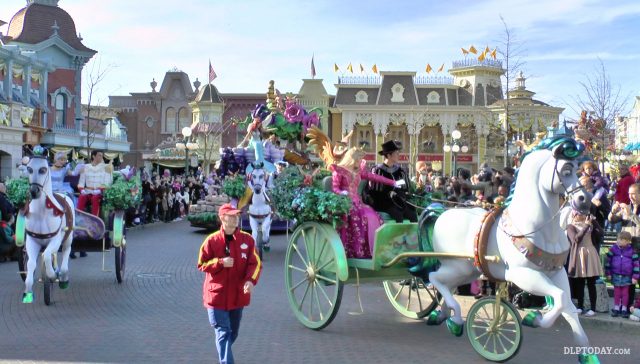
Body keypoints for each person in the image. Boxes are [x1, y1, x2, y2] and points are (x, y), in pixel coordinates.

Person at [197, 203, 261, 364]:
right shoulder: (211, 241)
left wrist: (250, 281)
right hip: (216, 297)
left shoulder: (247, 240)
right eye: (231, 216)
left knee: (232, 333)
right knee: (223, 332)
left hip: (237, 297)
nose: (235, 219)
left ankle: (223, 351)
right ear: (222, 218)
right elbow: (201, 264)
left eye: (237, 216)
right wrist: (219, 263)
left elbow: (255, 263)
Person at [330, 147, 403, 258]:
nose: (360, 162)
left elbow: (375, 177)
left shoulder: (358, 171)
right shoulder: (338, 170)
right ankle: (355, 250)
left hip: (357, 203)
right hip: (344, 203)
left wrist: (393, 182)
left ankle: (372, 249)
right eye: (359, 159)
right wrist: (342, 192)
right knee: (357, 216)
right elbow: (335, 188)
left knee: (372, 215)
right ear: (353, 158)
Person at [363, 140, 416, 222]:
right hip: (382, 203)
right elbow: (373, 192)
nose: (399, 155)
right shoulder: (377, 171)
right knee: (398, 214)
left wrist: (399, 194)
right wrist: (389, 193)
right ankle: (397, 235)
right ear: (389, 155)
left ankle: (413, 235)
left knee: (412, 214)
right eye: (396, 153)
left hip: (398, 201)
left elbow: (405, 188)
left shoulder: (400, 171)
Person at [608, 182, 640, 310]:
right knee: (629, 281)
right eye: (629, 194)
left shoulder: (631, 210)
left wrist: (631, 215)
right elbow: (612, 220)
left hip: (639, 248)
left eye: (633, 194)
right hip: (628, 251)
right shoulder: (628, 207)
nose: (630, 197)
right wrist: (613, 211)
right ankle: (627, 307)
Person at [566, 210, 604, 317]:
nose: (581, 215)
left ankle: (593, 308)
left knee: (591, 283)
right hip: (579, 255)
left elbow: (601, 233)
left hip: (590, 253)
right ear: (574, 215)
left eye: (583, 213)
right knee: (580, 283)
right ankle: (580, 306)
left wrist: (594, 222)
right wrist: (586, 226)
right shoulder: (570, 227)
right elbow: (576, 239)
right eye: (578, 214)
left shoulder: (590, 225)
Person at [605, 231, 639, 318]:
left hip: (627, 276)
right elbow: (608, 261)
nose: (618, 241)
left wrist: (635, 277)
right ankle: (616, 308)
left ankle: (624, 308)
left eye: (621, 240)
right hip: (616, 275)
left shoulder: (632, 251)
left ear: (628, 241)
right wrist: (608, 273)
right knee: (617, 292)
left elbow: (636, 264)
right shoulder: (613, 249)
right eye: (618, 239)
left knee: (625, 293)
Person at [77, 150, 112, 217]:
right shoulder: (85, 167)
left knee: (95, 198)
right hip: (88, 191)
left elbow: (107, 182)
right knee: (81, 197)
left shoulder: (105, 167)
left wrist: (100, 190)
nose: (101, 157)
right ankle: (78, 217)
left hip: (100, 193)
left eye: (102, 156)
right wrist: (82, 190)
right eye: (99, 155)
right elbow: (81, 182)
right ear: (93, 156)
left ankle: (95, 219)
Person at [0, 183, 17, 262]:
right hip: (5, 221)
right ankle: (12, 255)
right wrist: (10, 221)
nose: (5, 188)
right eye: (4, 187)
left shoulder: (4, 197)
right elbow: (5, 211)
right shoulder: (2, 198)